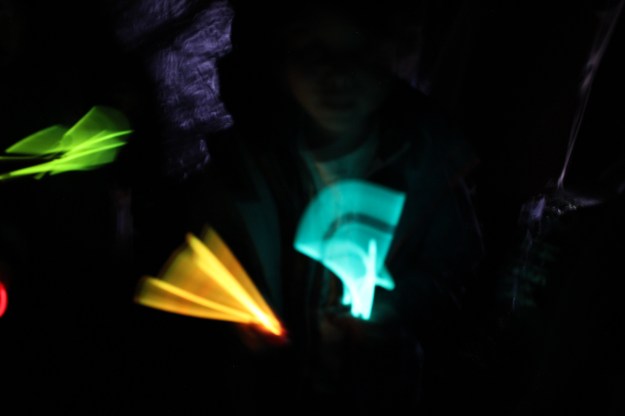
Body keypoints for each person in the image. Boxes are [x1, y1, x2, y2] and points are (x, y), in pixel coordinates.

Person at [133, 0, 484, 413]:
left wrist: (397, 310)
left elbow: (455, 277)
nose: (337, 74)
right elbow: (211, 265)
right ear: (281, 58)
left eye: (359, 49)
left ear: (390, 53)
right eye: (313, 52)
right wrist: (239, 325)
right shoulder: (245, 170)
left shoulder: (433, 166)